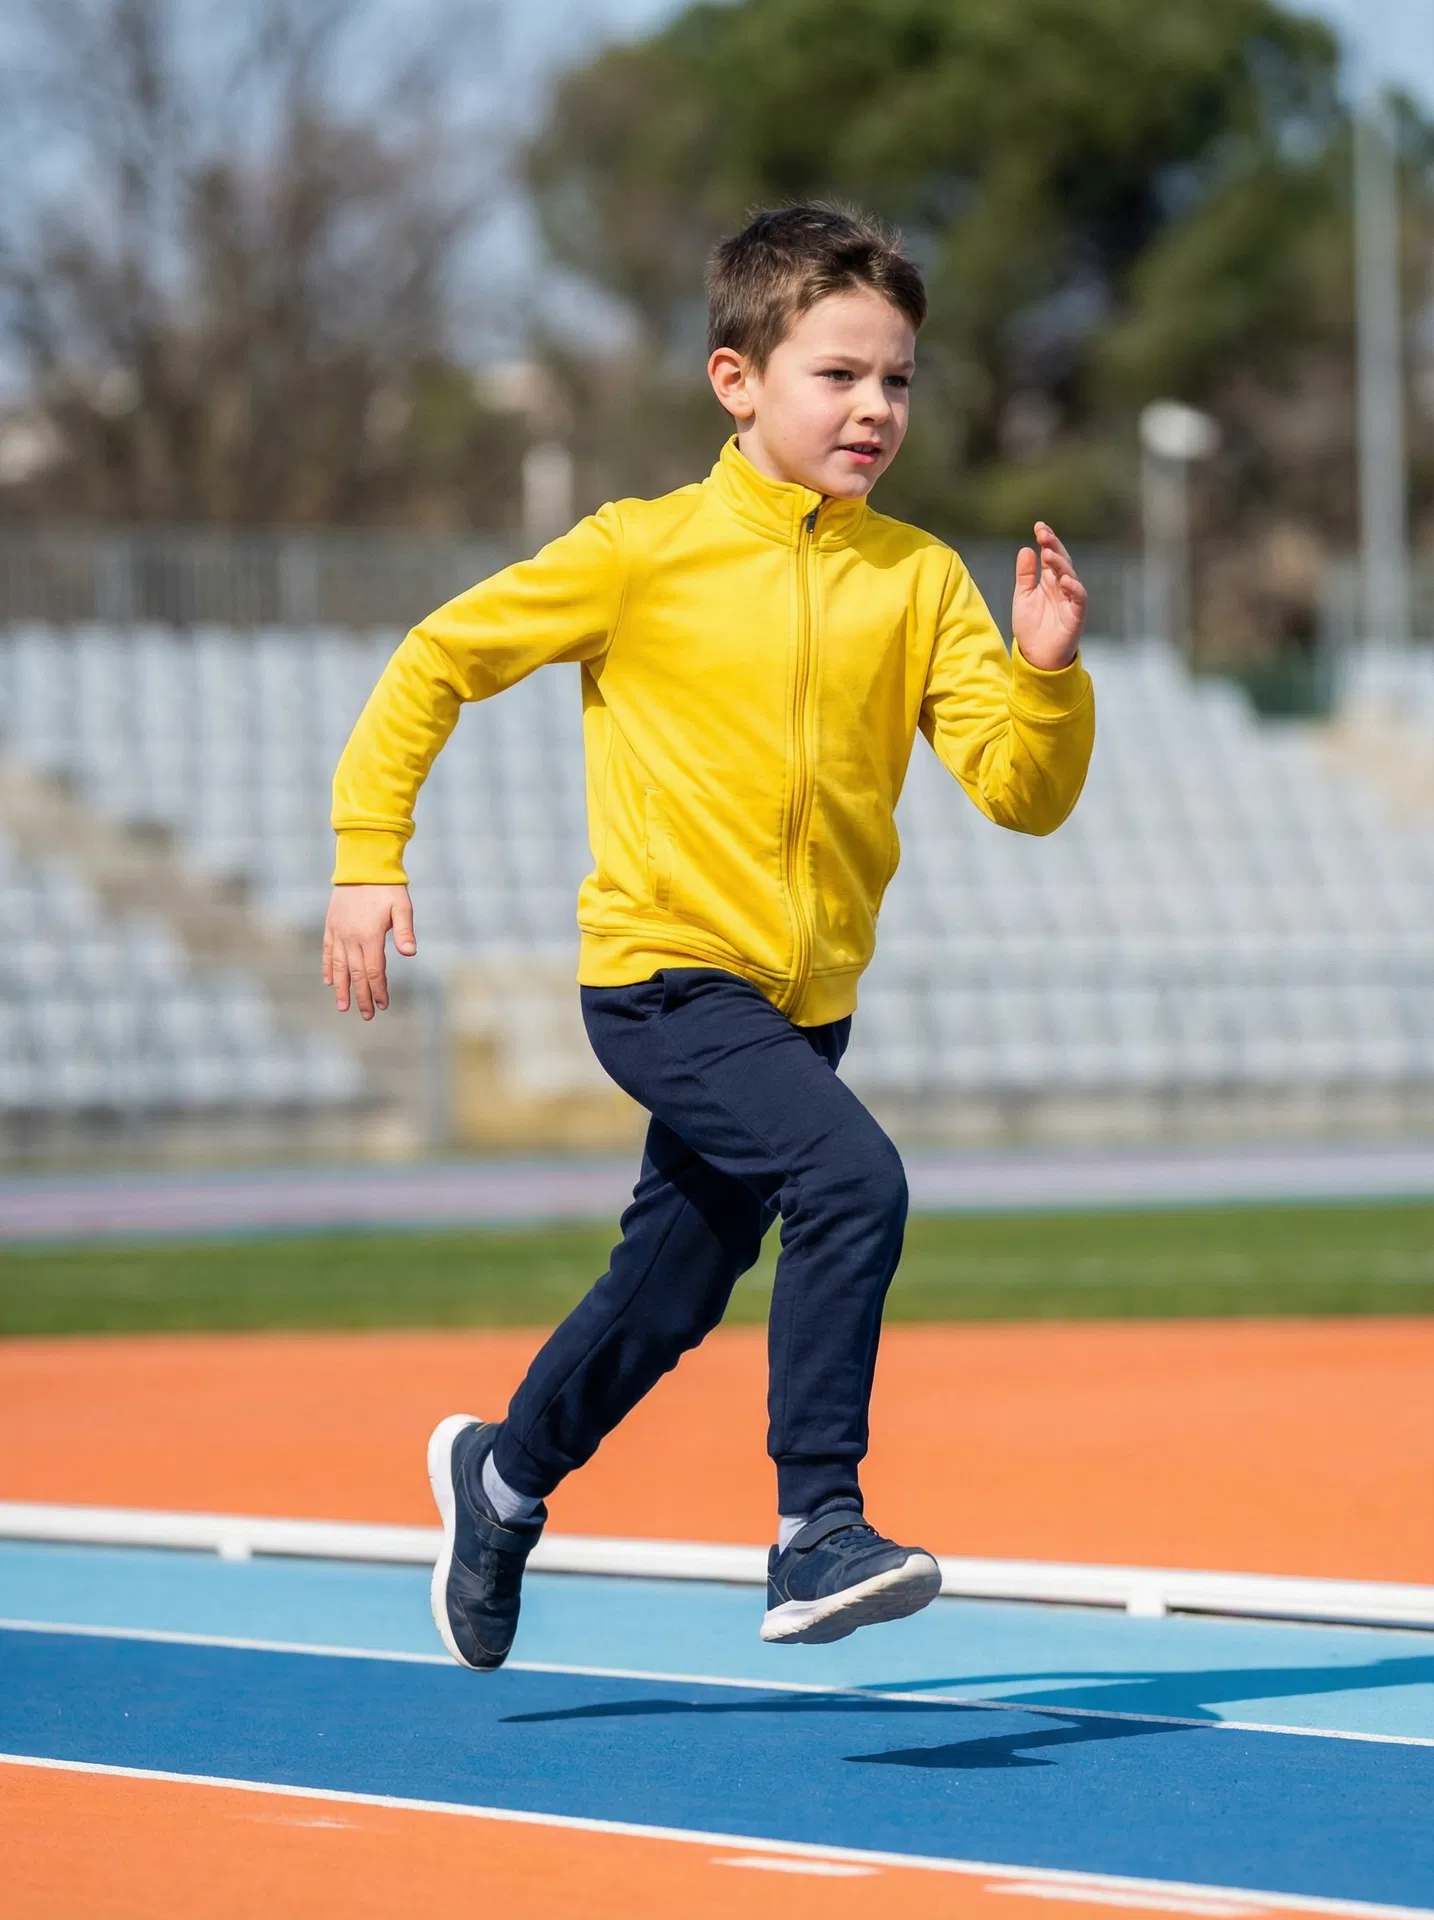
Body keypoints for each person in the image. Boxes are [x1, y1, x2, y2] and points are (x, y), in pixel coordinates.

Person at [324, 203, 1095, 1671]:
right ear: (735, 380)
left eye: (898, 380)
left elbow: (1021, 795)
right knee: (851, 1179)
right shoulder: (641, 551)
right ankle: (817, 1525)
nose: (875, 408)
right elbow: (436, 660)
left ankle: (501, 1480)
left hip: (806, 1007)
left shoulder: (920, 579)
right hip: (666, 978)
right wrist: (370, 857)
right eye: (838, 374)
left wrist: (1046, 678)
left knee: (674, 1287)